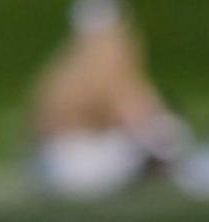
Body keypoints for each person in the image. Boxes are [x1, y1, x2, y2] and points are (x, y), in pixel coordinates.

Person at [30, 0, 189, 200]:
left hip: (48, 165)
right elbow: (133, 112)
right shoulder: (108, 56)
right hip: (80, 168)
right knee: (164, 129)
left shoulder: (62, 64)